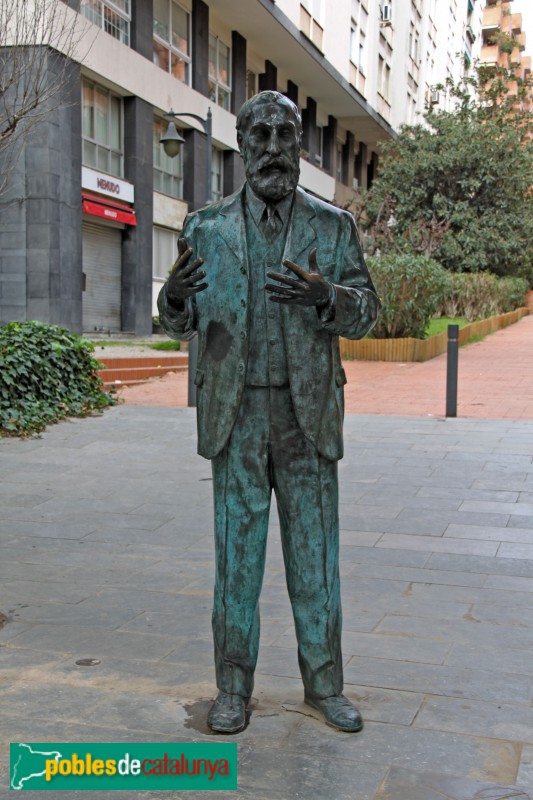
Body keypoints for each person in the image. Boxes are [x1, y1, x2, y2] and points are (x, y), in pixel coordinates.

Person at [158, 91, 380, 735]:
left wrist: (327, 297)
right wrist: (172, 300)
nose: (275, 149)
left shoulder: (333, 227)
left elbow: (366, 312)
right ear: (242, 143)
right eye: (262, 136)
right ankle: (232, 687)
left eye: (286, 135)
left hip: (307, 415)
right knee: (237, 559)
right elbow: (182, 316)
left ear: (302, 146)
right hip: (235, 415)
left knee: (315, 560)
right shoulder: (206, 227)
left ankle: (325, 684)